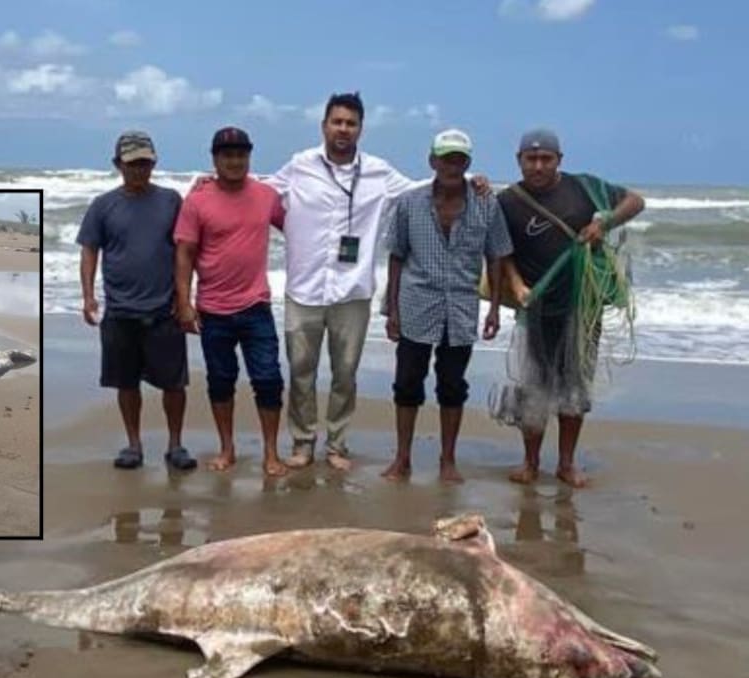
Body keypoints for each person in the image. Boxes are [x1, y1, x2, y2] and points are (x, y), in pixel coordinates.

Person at [267, 92, 489, 470]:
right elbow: (262, 195)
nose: (343, 129)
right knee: (301, 370)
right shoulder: (299, 165)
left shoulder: (378, 171)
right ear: (324, 125)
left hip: (353, 289)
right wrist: (213, 186)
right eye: (336, 121)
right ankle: (303, 442)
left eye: (350, 123)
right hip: (303, 288)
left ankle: (337, 445)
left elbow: (423, 190)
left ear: (360, 130)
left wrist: (469, 179)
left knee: (345, 373)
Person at [496, 128, 645, 488]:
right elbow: (501, 252)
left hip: (580, 308)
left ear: (559, 160)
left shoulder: (583, 187)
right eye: (530, 159)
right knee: (533, 388)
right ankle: (530, 463)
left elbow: (635, 201)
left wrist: (602, 222)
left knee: (574, 389)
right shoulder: (508, 201)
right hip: (535, 309)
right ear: (519, 161)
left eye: (546, 158)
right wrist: (516, 285)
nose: (538, 165)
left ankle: (566, 464)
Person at [381, 129, 512, 482]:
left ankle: (447, 460)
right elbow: (396, 256)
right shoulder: (409, 203)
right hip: (415, 302)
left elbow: (496, 256)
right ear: (432, 161)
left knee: (452, 385)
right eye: (446, 158)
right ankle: (402, 458)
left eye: (459, 159)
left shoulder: (487, 202)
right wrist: (391, 310)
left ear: (467, 163)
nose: (452, 165)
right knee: (407, 383)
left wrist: (495, 309)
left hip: (462, 306)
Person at [77, 130, 198, 471]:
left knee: (174, 385)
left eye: (145, 163)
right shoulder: (103, 205)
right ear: (118, 165)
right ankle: (134, 445)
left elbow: (186, 249)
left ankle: (176, 445)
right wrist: (88, 297)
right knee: (126, 383)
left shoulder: (172, 200)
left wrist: (186, 298)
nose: (139, 169)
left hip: (165, 312)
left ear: (154, 162)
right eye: (132, 164)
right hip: (120, 312)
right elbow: (89, 252)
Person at [174, 127, 288, 477]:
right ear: (215, 158)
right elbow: (184, 254)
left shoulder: (267, 195)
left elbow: (300, 229)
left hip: (257, 308)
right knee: (220, 382)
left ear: (249, 157)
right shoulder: (197, 201)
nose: (234, 161)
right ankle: (227, 448)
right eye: (227, 155)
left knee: (268, 380)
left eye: (241, 154)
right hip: (212, 310)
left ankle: (271, 452)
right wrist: (184, 302)